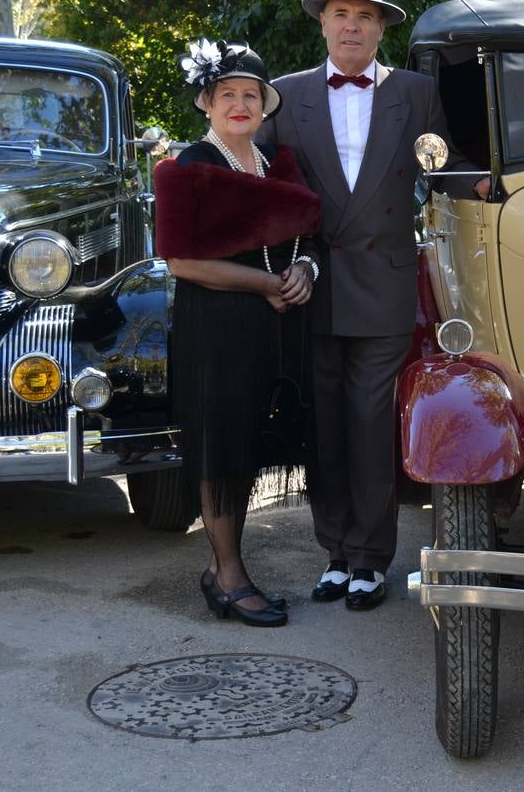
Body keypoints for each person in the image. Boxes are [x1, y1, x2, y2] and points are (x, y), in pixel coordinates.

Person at [258, 0, 488, 611]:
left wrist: (486, 185)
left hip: (383, 281)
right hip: (310, 283)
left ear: (382, 26)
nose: (351, 25)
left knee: (368, 422)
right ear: (323, 23)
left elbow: (444, 163)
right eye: (339, 14)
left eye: (364, 15)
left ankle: (370, 559)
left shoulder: (415, 93)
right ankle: (334, 553)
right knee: (323, 423)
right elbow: (261, 184)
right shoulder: (284, 95)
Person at [153, 39, 321, 627]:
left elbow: (306, 242)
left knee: (247, 446)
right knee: (221, 448)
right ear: (208, 103)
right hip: (217, 328)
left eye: (251, 94)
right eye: (229, 95)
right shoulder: (190, 166)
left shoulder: (279, 165)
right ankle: (228, 576)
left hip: (271, 330)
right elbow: (181, 263)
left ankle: (224, 567)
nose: (241, 104)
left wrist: (305, 270)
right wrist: (265, 285)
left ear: (265, 104)